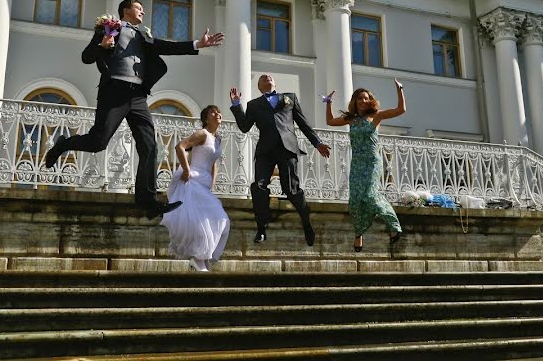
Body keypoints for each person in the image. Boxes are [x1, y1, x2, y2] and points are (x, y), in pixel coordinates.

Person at [43, 0, 224, 220]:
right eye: (139, 8)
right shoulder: (108, 28)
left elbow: (167, 46)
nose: (143, 11)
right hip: (114, 91)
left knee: (149, 146)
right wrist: (102, 46)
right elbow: (86, 56)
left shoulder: (143, 35)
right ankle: (64, 144)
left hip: (137, 95)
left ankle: (147, 202)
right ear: (126, 10)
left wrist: (198, 44)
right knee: (98, 142)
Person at [229, 75, 330, 246]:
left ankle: (306, 223)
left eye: (269, 77)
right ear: (260, 87)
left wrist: (317, 143)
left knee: (291, 189)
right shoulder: (253, 105)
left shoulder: (289, 98)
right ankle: (261, 228)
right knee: (258, 185)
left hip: (287, 148)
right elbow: (244, 127)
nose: (266, 77)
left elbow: (302, 123)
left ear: (274, 84)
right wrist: (237, 105)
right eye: (262, 78)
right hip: (265, 151)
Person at [326, 79, 405, 252]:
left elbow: (401, 110)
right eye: (360, 98)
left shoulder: (376, 116)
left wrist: (399, 90)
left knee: (370, 194)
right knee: (355, 199)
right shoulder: (351, 119)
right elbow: (330, 121)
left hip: (372, 162)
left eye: (366, 98)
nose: (363, 101)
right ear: (355, 101)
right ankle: (358, 234)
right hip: (357, 163)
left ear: (370, 101)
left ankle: (393, 225)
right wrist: (328, 102)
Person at [162, 105, 230, 272]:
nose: (217, 114)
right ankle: (199, 259)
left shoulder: (218, 139)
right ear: (206, 118)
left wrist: (212, 183)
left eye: (218, 111)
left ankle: (202, 259)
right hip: (193, 180)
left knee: (219, 221)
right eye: (213, 112)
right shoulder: (202, 134)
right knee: (208, 221)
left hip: (204, 185)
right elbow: (180, 146)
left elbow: (213, 163)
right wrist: (186, 170)